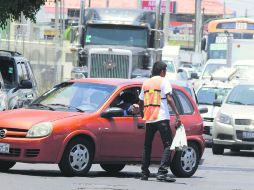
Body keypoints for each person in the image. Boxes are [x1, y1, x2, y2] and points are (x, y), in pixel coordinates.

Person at [136, 61, 181, 182]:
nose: (165, 73)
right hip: (161, 118)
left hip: (150, 118)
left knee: (147, 146)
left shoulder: (146, 83)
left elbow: (140, 102)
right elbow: (169, 98)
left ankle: (144, 173)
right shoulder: (163, 81)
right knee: (168, 144)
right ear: (162, 71)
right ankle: (162, 173)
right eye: (165, 71)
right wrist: (177, 114)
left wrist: (142, 114)